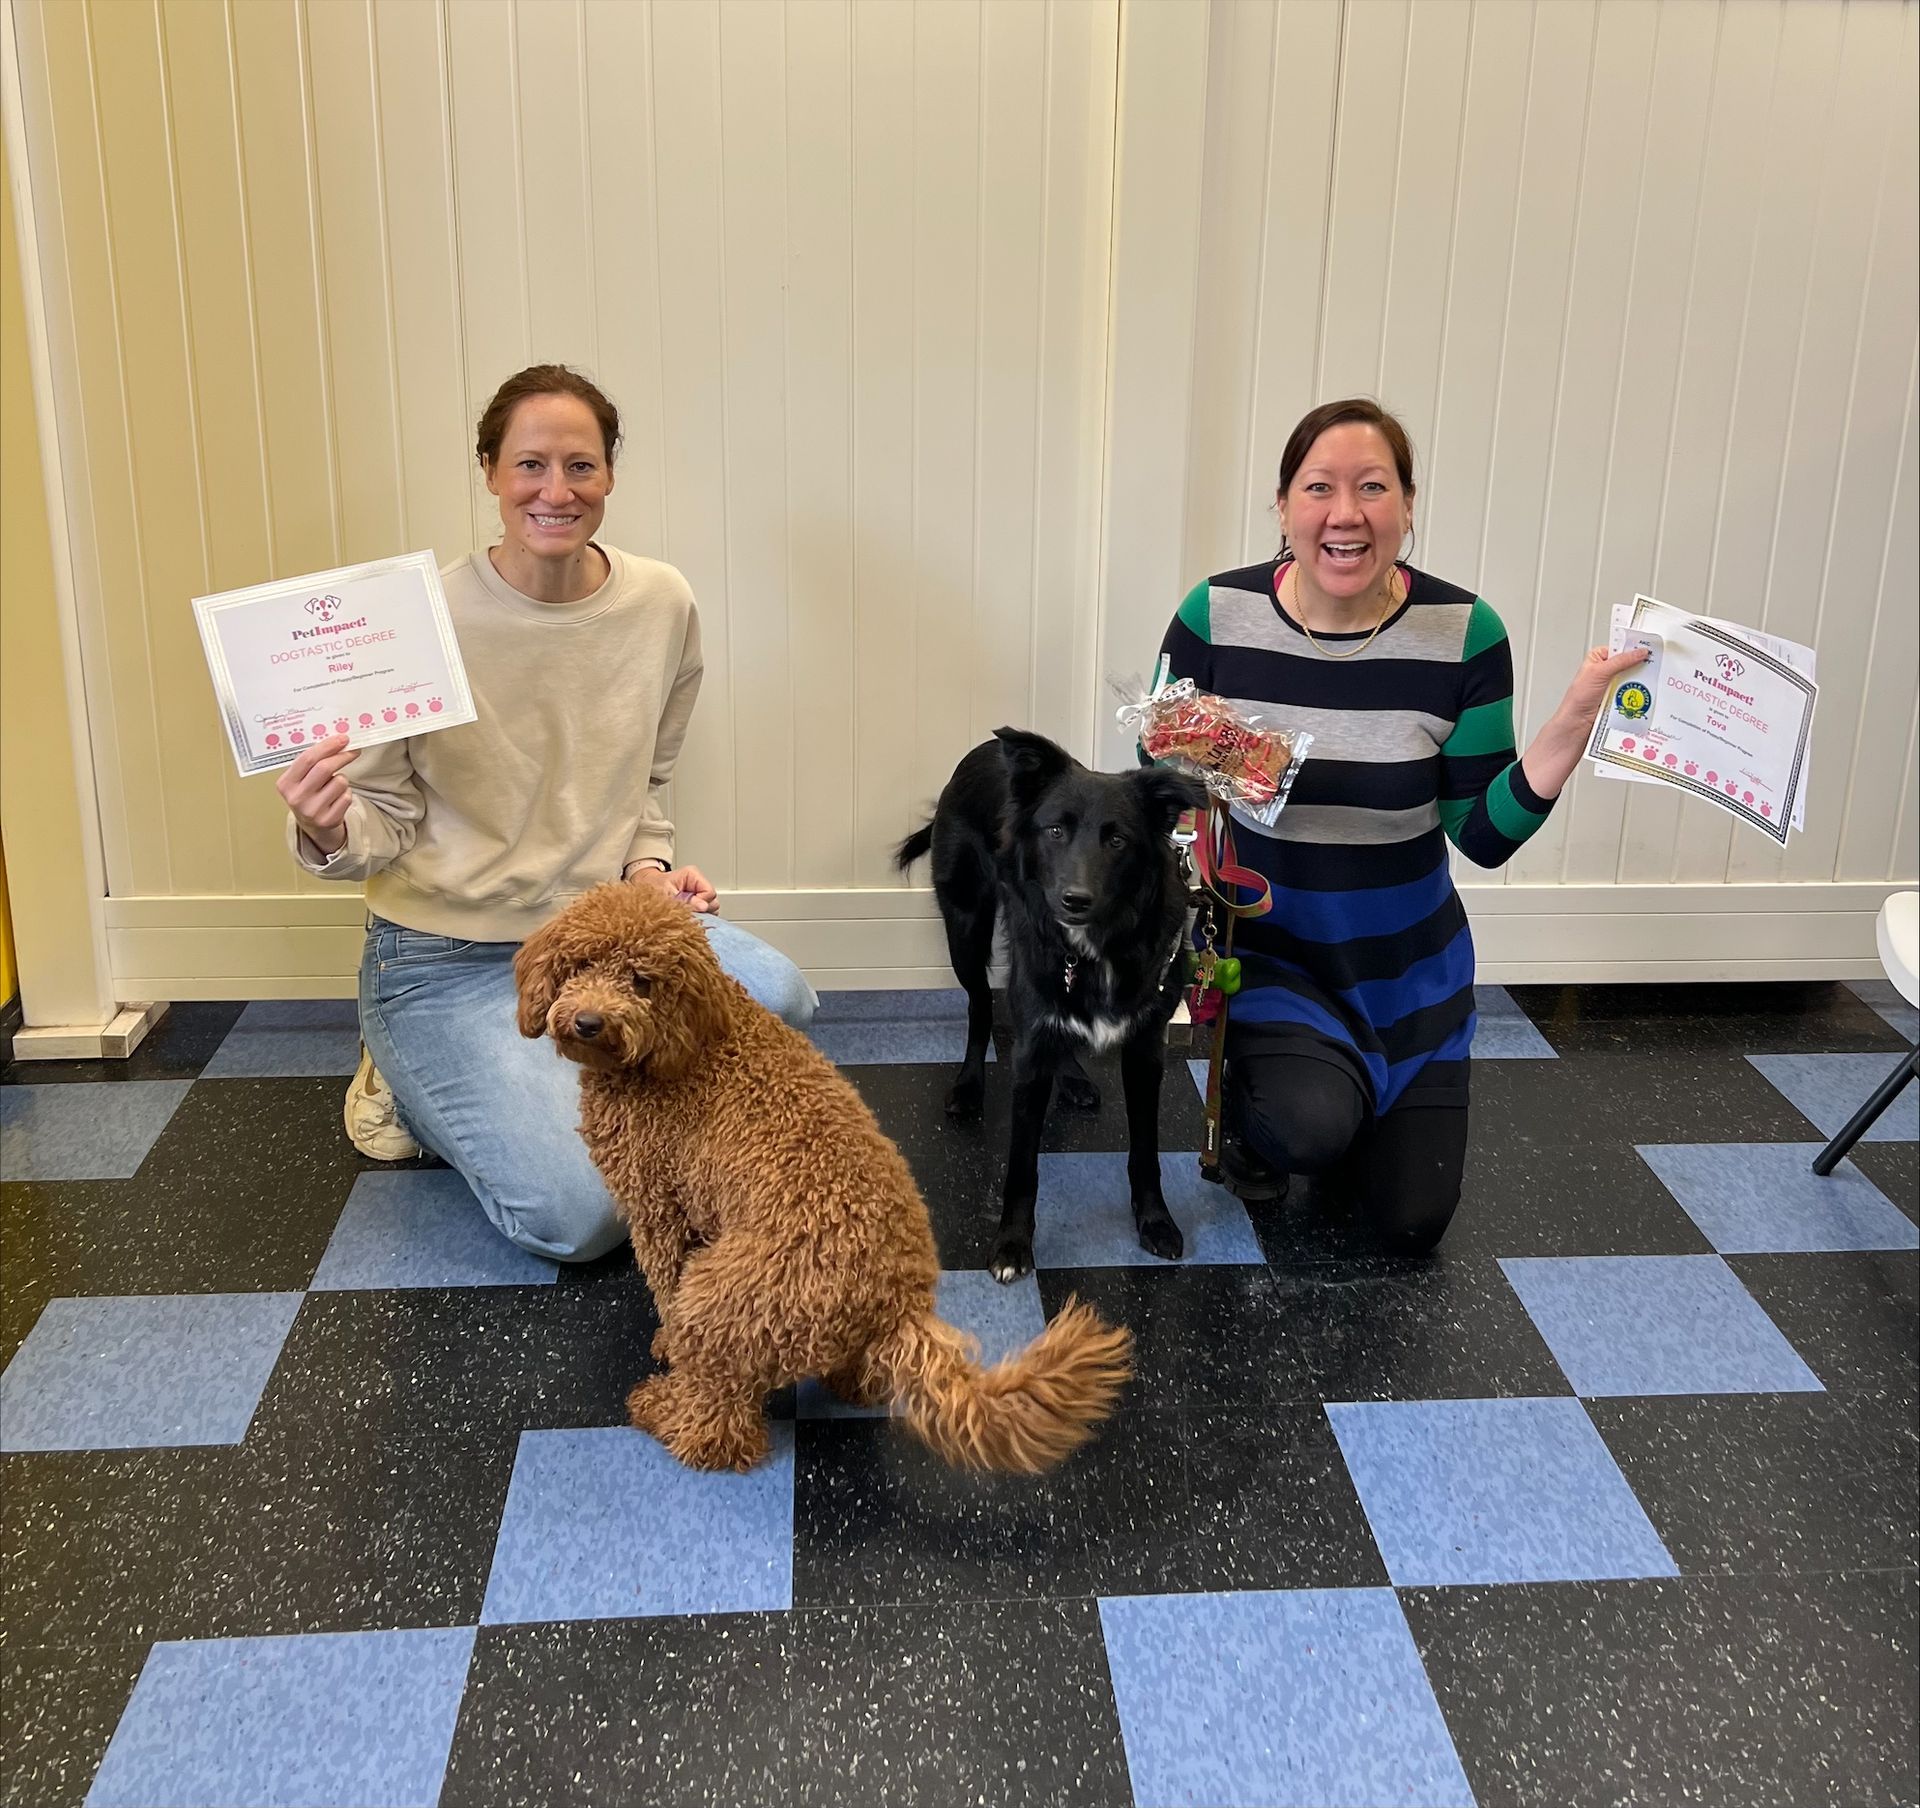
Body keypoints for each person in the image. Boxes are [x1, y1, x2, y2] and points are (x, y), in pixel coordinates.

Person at [276, 364, 816, 1262]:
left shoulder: (661, 603)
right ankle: (403, 1082)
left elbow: (645, 782)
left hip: (598, 942)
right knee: (576, 1220)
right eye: (530, 465)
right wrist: (327, 826)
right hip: (443, 961)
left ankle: (552, 1073)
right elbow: (382, 822)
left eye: (581, 466)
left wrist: (648, 873)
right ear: (489, 472)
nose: (556, 491)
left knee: (782, 1001)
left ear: (609, 476)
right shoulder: (418, 623)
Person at [1159, 397, 1645, 1254]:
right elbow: (1156, 773)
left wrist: (1573, 719)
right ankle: (1255, 1107)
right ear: (1283, 508)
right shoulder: (1215, 616)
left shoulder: (1463, 634)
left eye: (1373, 487)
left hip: (1408, 974)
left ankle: (1357, 1099)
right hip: (1276, 959)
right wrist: (1207, 765)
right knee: (1308, 1132)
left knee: (1412, 1223)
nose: (1346, 514)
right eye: (1319, 488)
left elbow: (1483, 837)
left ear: (1408, 507)